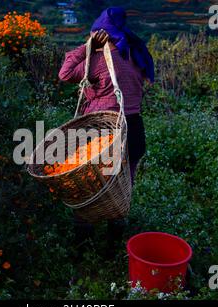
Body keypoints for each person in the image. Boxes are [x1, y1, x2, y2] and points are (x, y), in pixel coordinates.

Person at [58, 7, 154, 258]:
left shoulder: (98, 61)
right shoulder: (135, 55)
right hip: (133, 129)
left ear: (99, 34)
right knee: (122, 185)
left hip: (104, 131)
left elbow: (65, 72)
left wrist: (87, 47)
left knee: (90, 184)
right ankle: (111, 248)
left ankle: (82, 248)